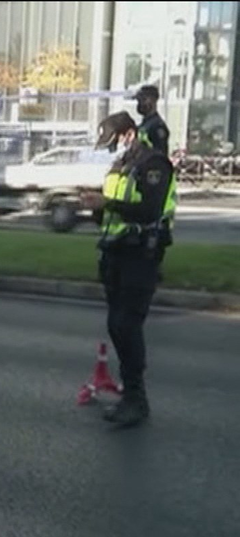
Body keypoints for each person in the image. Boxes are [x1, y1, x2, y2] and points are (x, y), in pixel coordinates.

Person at [79, 111, 177, 429]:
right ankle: (131, 396)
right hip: (115, 253)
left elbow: (149, 210)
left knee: (127, 325)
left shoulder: (154, 164)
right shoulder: (121, 164)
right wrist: (93, 207)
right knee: (116, 326)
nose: (111, 148)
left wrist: (106, 203)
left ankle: (136, 399)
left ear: (129, 134)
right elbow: (112, 211)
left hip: (141, 255)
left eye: (114, 140)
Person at [134, 85, 170, 155]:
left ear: (153, 100)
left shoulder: (157, 126)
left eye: (144, 100)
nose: (140, 104)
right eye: (138, 101)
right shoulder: (144, 125)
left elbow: (160, 154)